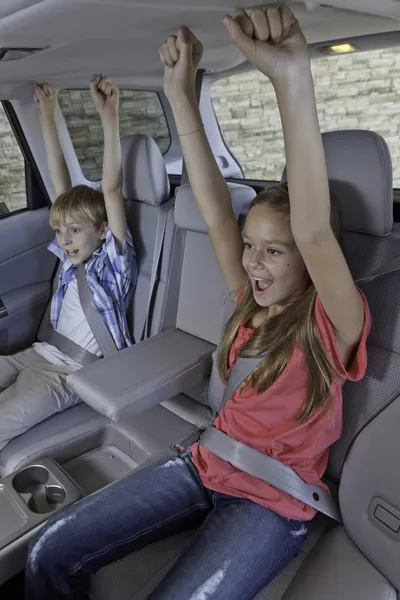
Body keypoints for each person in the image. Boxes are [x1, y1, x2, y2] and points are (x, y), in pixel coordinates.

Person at [25, 7, 370, 600]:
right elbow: (216, 214)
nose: (254, 261)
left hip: (272, 500)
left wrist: (291, 79)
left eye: (275, 252)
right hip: (206, 461)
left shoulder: (333, 323)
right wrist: (179, 96)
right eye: (252, 246)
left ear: (312, 259)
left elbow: (313, 229)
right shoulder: (249, 301)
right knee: (47, 552)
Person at [0, 75, 137, 451]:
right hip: (37, 353)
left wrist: (109, 118)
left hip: (71, 372)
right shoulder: (71, 252)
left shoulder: (113, 264)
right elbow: (60, 191)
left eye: (74, 231)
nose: (64, 239)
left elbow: (111, 189)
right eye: (60, 231)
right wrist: (46, 116)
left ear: (104, 229)